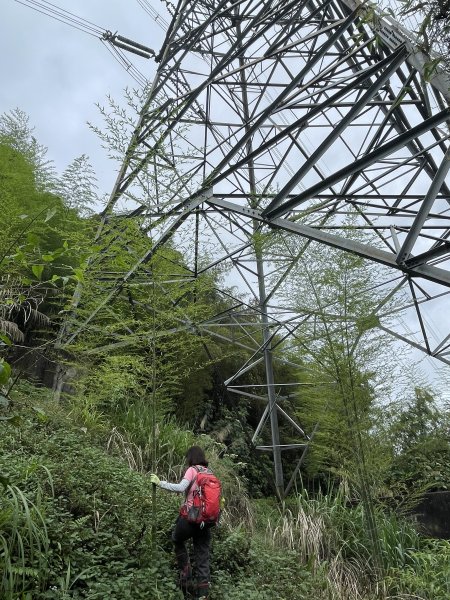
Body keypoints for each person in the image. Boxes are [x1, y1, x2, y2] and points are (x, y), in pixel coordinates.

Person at [150, 446, 212, 599]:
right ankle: (203, 595)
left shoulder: (192, 470)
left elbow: (180, 488)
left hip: (190, 519)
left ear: (191, 457)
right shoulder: (210, 473)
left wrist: (160, 483)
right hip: (206, 522)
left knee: (177, 539)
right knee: (202, 556)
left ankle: (185, 577)